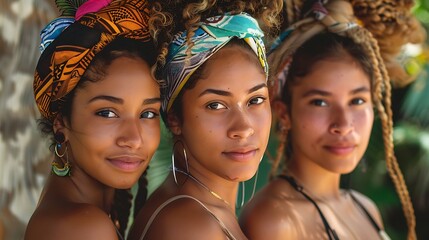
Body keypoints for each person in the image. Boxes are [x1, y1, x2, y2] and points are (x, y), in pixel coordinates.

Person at [239, 0, 416, 239]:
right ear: (284, 112)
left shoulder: (366, 208)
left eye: (357, 101)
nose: (343, 125)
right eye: (320, 102)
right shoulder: (276, 221)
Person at [127, 1, 282, 239]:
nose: (244, 128)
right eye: (216, 105)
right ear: (174, 118)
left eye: (255, 100)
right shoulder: (190, 227)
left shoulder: (199, 210)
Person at [24, 0, 166, 239]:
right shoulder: (81, 228)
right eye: (107, 113)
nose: (133, 139)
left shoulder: (79, 216)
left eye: (147, 114)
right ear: (61, 122)